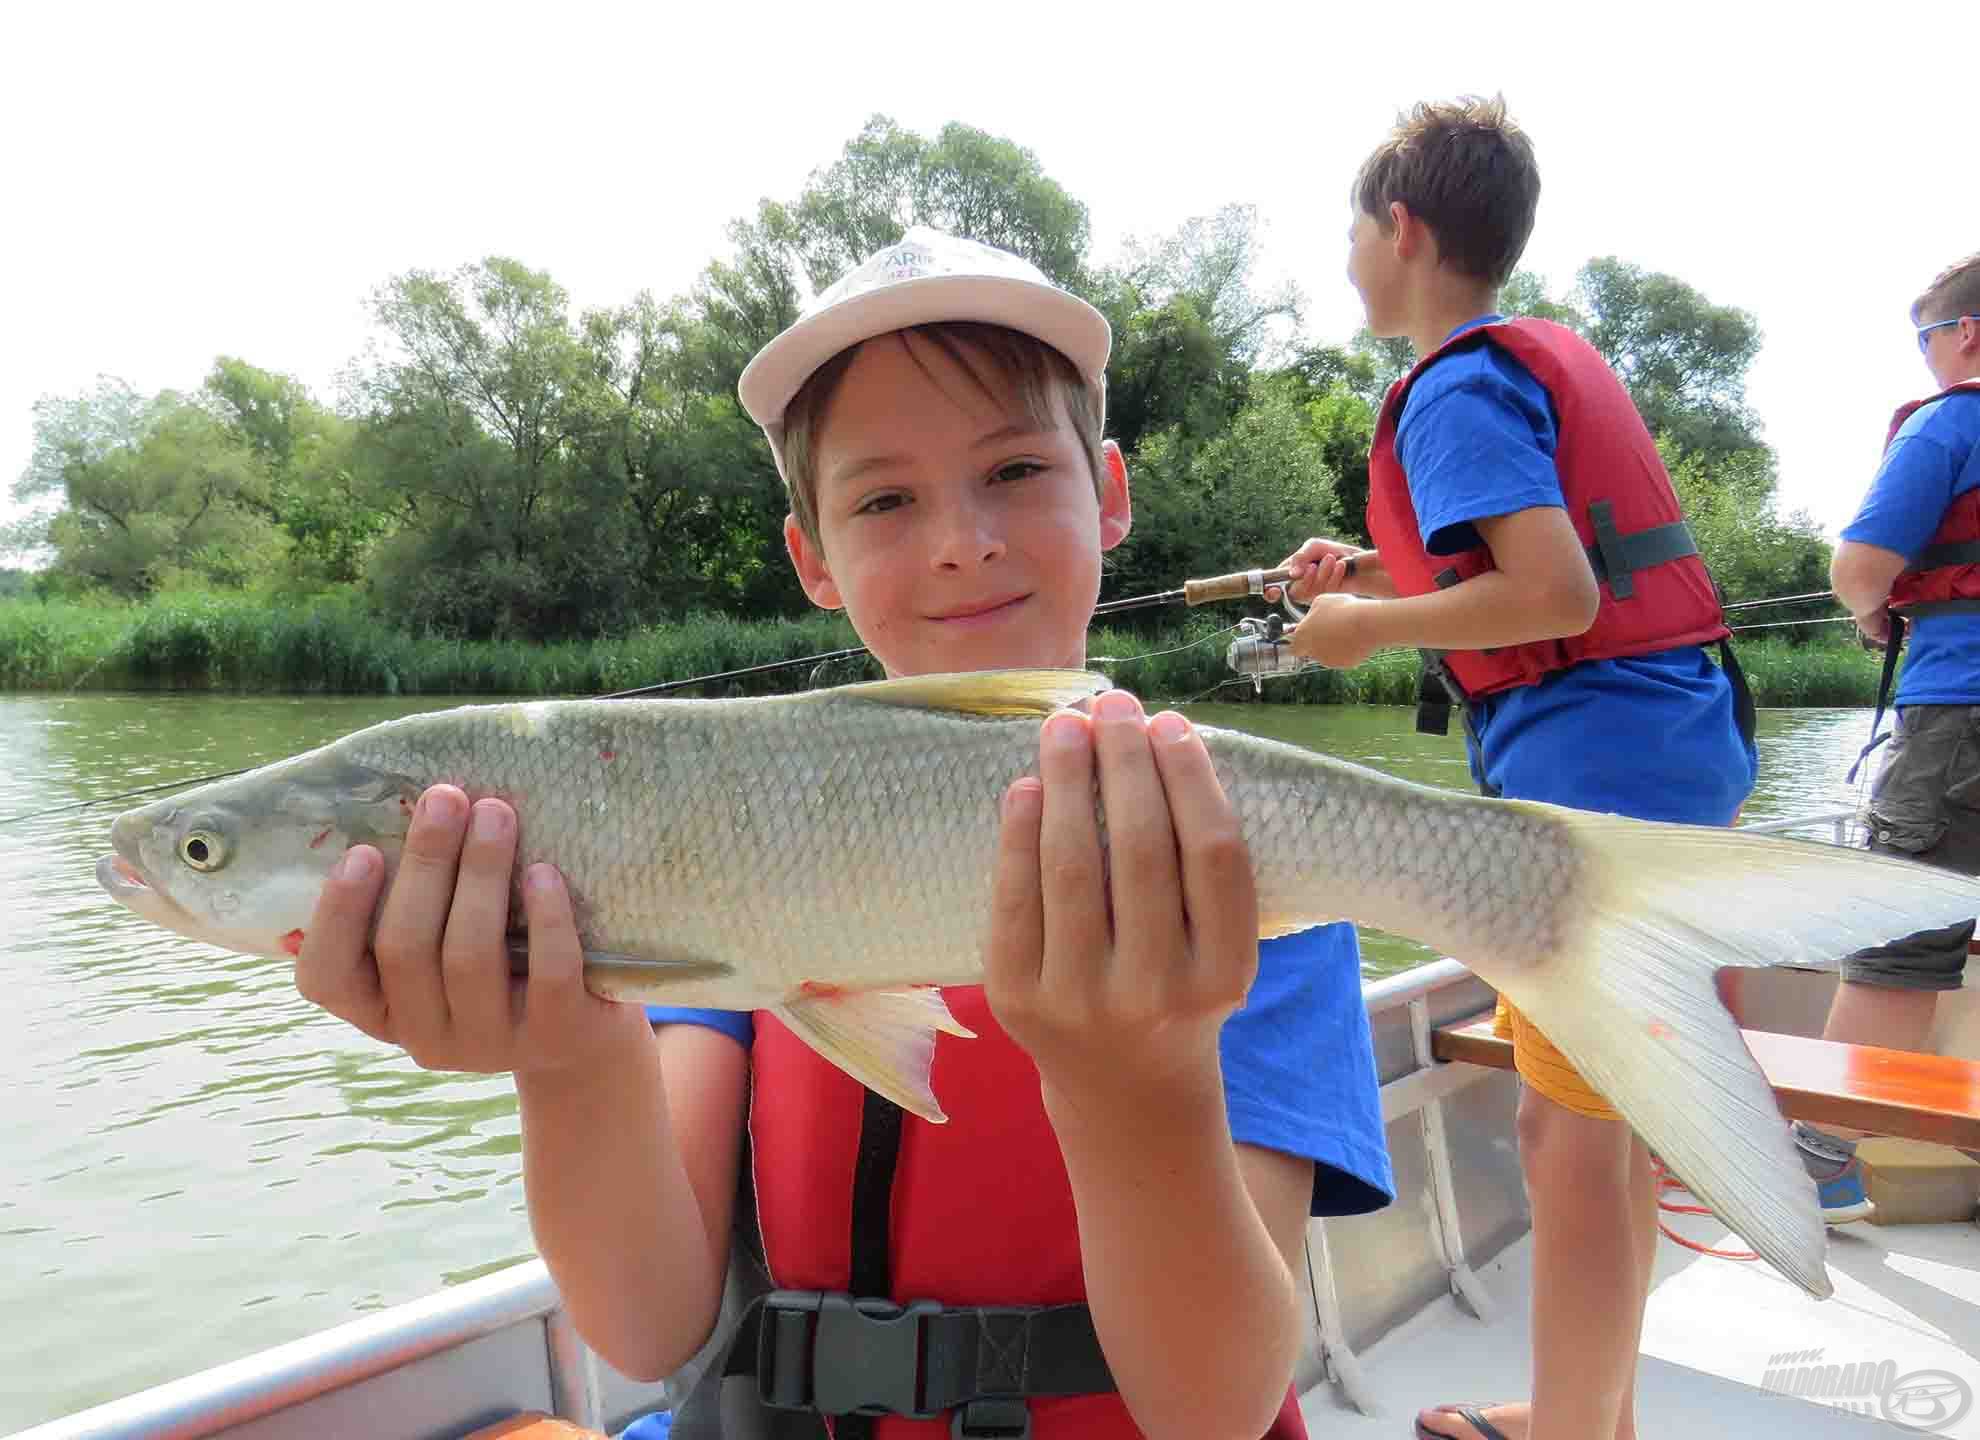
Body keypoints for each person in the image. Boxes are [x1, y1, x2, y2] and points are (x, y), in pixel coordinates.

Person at [292, 225, 1393, 1439]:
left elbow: (1215, 1414)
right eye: (884, 498)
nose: (961, 539)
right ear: (812, 558)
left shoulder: (1235, 859)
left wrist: (1136, 1078)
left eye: (1017, 471)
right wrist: (569, 1057)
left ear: (1112, 493)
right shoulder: (717, 837)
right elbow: (648, 1324)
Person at [1270, 98, 1755, 1440]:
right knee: (1603, 1122)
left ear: (1402, 228)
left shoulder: (1456, 388)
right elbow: (1513, 563)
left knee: (1570, 1139)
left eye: (1355, 230)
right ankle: (1593, 1417)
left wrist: (1362, 629)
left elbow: (1549, 591)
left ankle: (1573, 1428)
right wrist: (1371, 569)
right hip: (1668, 746)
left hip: (1599, 769)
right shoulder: (1498, 372)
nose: (1351, 256)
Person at [1795, 253, 1980, 1224]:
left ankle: (1817, 1163)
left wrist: (1876, 615)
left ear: (1967, 335)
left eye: (1926, 341)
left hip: (1961, 718)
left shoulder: (1954, 420)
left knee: (1898, 944)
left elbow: (1862, 564)